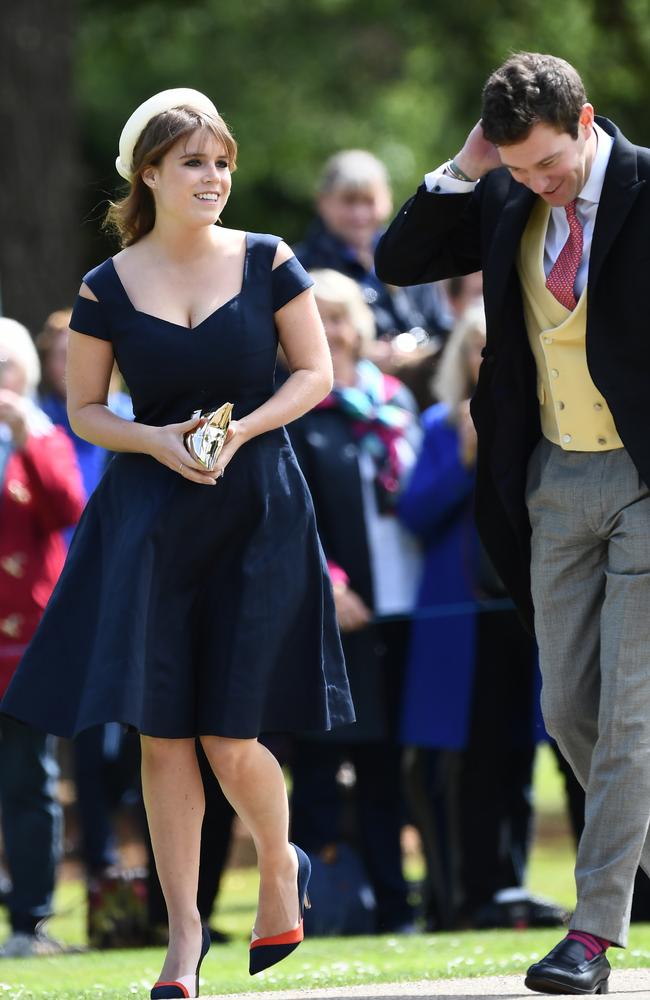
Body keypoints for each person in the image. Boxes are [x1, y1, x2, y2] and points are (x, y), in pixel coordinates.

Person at [0, 88, 354, 998]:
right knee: (163, 735)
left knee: (230, 735)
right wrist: (154, 438)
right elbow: (82, 410)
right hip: (151, 521)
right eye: (193, 161)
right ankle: (184, 941)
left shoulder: (271, 259)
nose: (214, 177)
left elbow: (315, 373)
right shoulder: (104, 287)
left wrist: (240, 432)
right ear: (147, 173)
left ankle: (281, 863)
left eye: (222, 161)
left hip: (260, 511)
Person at [376, 50, 650, 996]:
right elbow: (399, 260)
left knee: (625, 715)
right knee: (568, 710)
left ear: (584, 122)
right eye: (517, 166)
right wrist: (465, 170)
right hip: (549, 481)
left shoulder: (648, 185)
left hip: (646, 479)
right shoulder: (500, 193)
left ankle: (591, 934)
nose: (538, 184)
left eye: (548, 164)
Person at [398, 303, 565, 933]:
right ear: (461, 359)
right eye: (477, 348)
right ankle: (470, 893)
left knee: (526, 752)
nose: (489, 359)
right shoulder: (442, 426)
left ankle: (514, 884)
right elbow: (414, 514)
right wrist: (466, 456)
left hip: (530, 610)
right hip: (462, 619)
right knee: (470, 759)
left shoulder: (550, 420)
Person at [288, 269, 421, 933]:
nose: (335, 330)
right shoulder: (295, 410)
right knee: (318, 770)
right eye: (321, 317)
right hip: (331, 617)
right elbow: (292, 515)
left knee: (387, 771)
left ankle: (396, 908)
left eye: (343, 317)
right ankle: (311, 912)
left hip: (406, 609)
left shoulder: (393, 401)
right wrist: (330, 581)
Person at [0, 319, 85, 956]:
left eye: (7, 366)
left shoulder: (43, 434)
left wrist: (31, 439)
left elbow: (68, 509)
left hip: (23, 641)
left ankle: (29, 921)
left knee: (31, 780)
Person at [294, 149, 452, 401]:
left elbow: (442, 328)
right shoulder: (299, 266)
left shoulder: (408, 253)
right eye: (349, 201)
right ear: (323, 202)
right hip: (339, 401)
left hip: (423, 392)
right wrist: (363, 353)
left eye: (368, 201)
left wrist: (413, 350)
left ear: (387, 200)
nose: (359, 214)